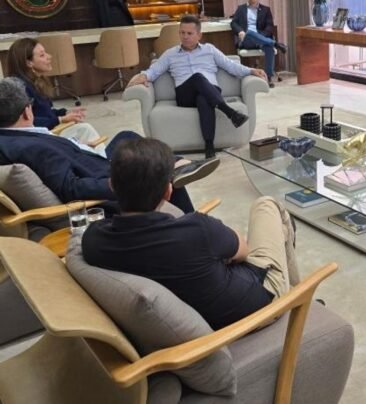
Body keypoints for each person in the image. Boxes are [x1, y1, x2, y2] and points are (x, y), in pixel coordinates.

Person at [82, 136, 300, 330]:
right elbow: (244, 251)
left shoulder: (93, 240)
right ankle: (298, 297)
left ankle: (295, 293)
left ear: (111, 185)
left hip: (207, 310)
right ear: (168, 191)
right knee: (267, 205)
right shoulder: (197, 230)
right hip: (258, 304)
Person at [0, 77, 218, 214]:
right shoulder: (32, 148)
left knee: (127, 137)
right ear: (27, 111)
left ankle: (177, 164)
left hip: (90, 162)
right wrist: (121, 184)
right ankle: (191, 219)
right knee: (157, 168)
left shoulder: (11, 139)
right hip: (106, 180)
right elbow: (71, 188)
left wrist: (75, 145)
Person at [128, 15, 268, 159]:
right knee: (197, 77)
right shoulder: (170, 54)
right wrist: (143, 76)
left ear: (199, 35)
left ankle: (209, 147)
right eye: (182, 33)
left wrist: (251, 70)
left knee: (203, 99)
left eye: (189, 33)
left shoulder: (210, 50)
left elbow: (231, 66)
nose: (185, 37)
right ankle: (229, 112)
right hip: (185, 95)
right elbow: (154, 70)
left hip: (210, 92)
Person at [7, 37, 104, 152]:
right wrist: (60, 119)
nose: (49, 56)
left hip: (48, 132)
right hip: (38, 138)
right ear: (29, 62)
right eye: (42, 55)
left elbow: (45, 112)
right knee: (85, 130)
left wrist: (65, 113)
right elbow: (25, 123)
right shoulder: (19, 88)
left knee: (84, 130)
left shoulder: (35, 82)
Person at [231, 0, 288, 88]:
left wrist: (260, 36)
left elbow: (269, 27)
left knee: (269, 48)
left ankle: (268, 77)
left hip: (261, 39)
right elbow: (233, 23)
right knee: (249, 33)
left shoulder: (266, 9)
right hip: (247, 40)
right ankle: (275, 44)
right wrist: (240, 31)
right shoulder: (241, 9)